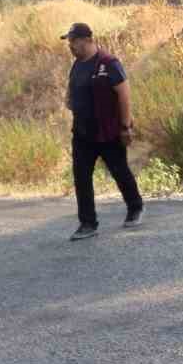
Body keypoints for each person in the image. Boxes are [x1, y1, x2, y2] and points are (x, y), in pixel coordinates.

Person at [63, 22, 143, 240]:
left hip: (108, 132)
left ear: (87, 40)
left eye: (73, 42)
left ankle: (135, 207)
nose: (70, 46)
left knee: (119, 171)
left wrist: (126, 127)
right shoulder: (77, 65)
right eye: (69, 42)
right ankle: (88, 223)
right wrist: (70, 100)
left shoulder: (109, 63)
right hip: (82, 133)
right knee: (81, 177)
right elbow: (72, 89)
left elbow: (124, 94)